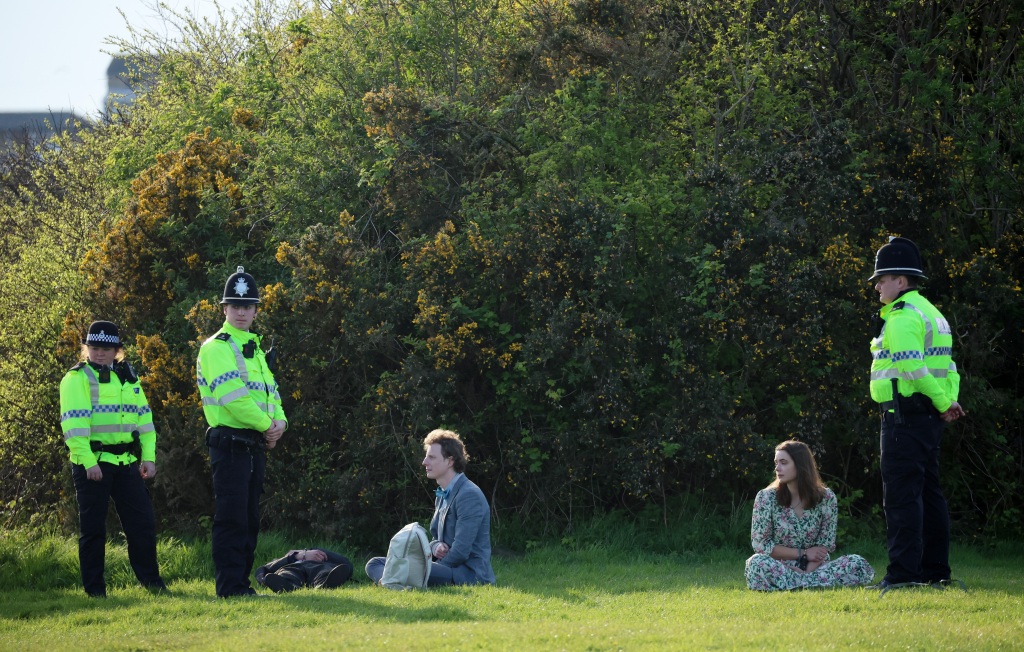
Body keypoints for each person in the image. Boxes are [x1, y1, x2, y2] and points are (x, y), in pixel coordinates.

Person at [868, 237, 964, 590]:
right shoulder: (933, 315)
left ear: (902, 281)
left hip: (903, 419)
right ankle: (935, 572)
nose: (877, 285)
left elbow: (912, 370)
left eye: (882, 278)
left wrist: (942, 404)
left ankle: (903, 576)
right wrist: (947, 403)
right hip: (928, 420)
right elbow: (950, 367)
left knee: (901, 501)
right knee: (929, 496)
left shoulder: (902, 317)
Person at [59, 320, 168, 597]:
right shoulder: (76, 379)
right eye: (94, 347)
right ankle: (96, 592)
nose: (99, 353)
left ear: (117, 350)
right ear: (86, 348)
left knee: (142, 524)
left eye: (106, 348)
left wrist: (149, 457)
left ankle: (153, 584)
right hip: (93, 463)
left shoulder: (128, 378)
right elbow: (73, 427)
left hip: (125, 462)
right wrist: (88, 462)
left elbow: (145, 421)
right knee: (94, 531)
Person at [197, 266, 287, 598]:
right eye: (235, 306)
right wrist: (268, 427)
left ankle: (242, 584)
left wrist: (280, 423)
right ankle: (230, 587)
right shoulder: (216, 347)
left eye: (247, 306)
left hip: (253, 444)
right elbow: (233, 398)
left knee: (249, 520)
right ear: (224, 309)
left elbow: (271, 393)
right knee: (232, 520)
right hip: (230, 443)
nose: (241, 312)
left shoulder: (255, 349)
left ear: (255, 310)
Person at [366, 429, 496, 586]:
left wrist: (429, 569)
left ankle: (395, 580)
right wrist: (435, 547)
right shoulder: (443, 493)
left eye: (432, 457)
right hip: (445, 566)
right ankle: (389, 582)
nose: (424, 462)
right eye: (427, 456)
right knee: (374, 563)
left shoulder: (469, 495)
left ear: (450, 461)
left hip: (467, 573)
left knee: (403, 568)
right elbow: (436, 539)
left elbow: (461, 551)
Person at [745, 440, 874, 591]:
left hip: (816, 567)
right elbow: (761, 545)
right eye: (776, 463)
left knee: (856, 563)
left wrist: (807, 572)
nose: (777, 468)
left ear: (800, 465)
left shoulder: (826, 498)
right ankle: (811, 583)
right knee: (756, 564)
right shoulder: (766, 498)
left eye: (784, 462)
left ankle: (798, 583)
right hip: (780, 566)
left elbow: (825, 543)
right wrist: (803, 553)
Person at [255, 548, 353, 593]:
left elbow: (345, 563)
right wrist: (295, 556)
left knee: (322, 571)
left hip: (319, 565)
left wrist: (317, 554)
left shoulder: (319, 553)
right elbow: (262, 569)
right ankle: (288, 585)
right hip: (291, 567)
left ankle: (323, 583)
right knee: (287, 573)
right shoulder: (288, 560)